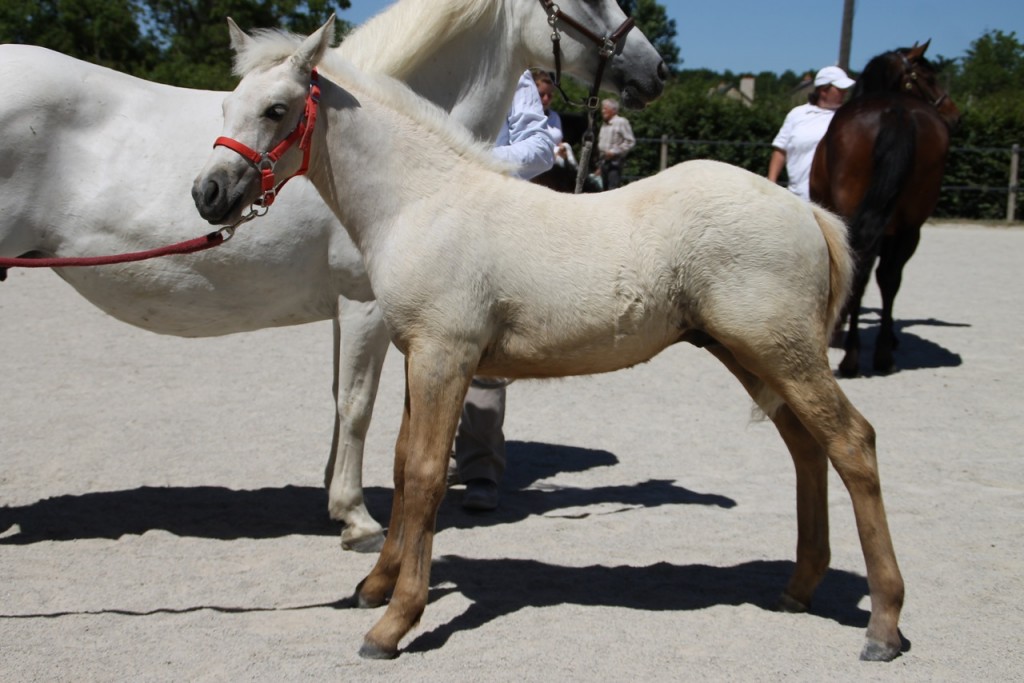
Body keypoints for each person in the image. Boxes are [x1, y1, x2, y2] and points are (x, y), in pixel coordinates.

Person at [454, 69, 554, 511]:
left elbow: (540, 149)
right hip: (422, 223)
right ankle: (438, 457)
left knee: (484, 356)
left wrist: (472, 166)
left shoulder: (514, 75)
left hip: (491, 224)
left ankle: (480, 467)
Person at [767, 65, 855, 200]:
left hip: (831, 201)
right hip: (797, 198)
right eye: (839, 89)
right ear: (823, 90)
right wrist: (771, 185)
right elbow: (780, 150)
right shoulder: (797, 114)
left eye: (845, 90)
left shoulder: (847, 117)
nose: (844, 93)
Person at [531, 69, 576, 168]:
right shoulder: (527, 117)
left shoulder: (555, 117)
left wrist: (563, 150)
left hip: (557, 168)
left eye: (549, 95)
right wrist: (553, 156)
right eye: (541, 94)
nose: (546, 99)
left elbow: (558, 141)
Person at [596, 98, 635, 190]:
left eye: (605, 109)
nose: (602, 111)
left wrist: (614, 152)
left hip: (615, 162)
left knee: (612, 189)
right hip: (604, 162)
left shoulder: (621, 122)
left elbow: (630, 141)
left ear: (613, 110)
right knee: (604, 190)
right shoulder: (605, 124)